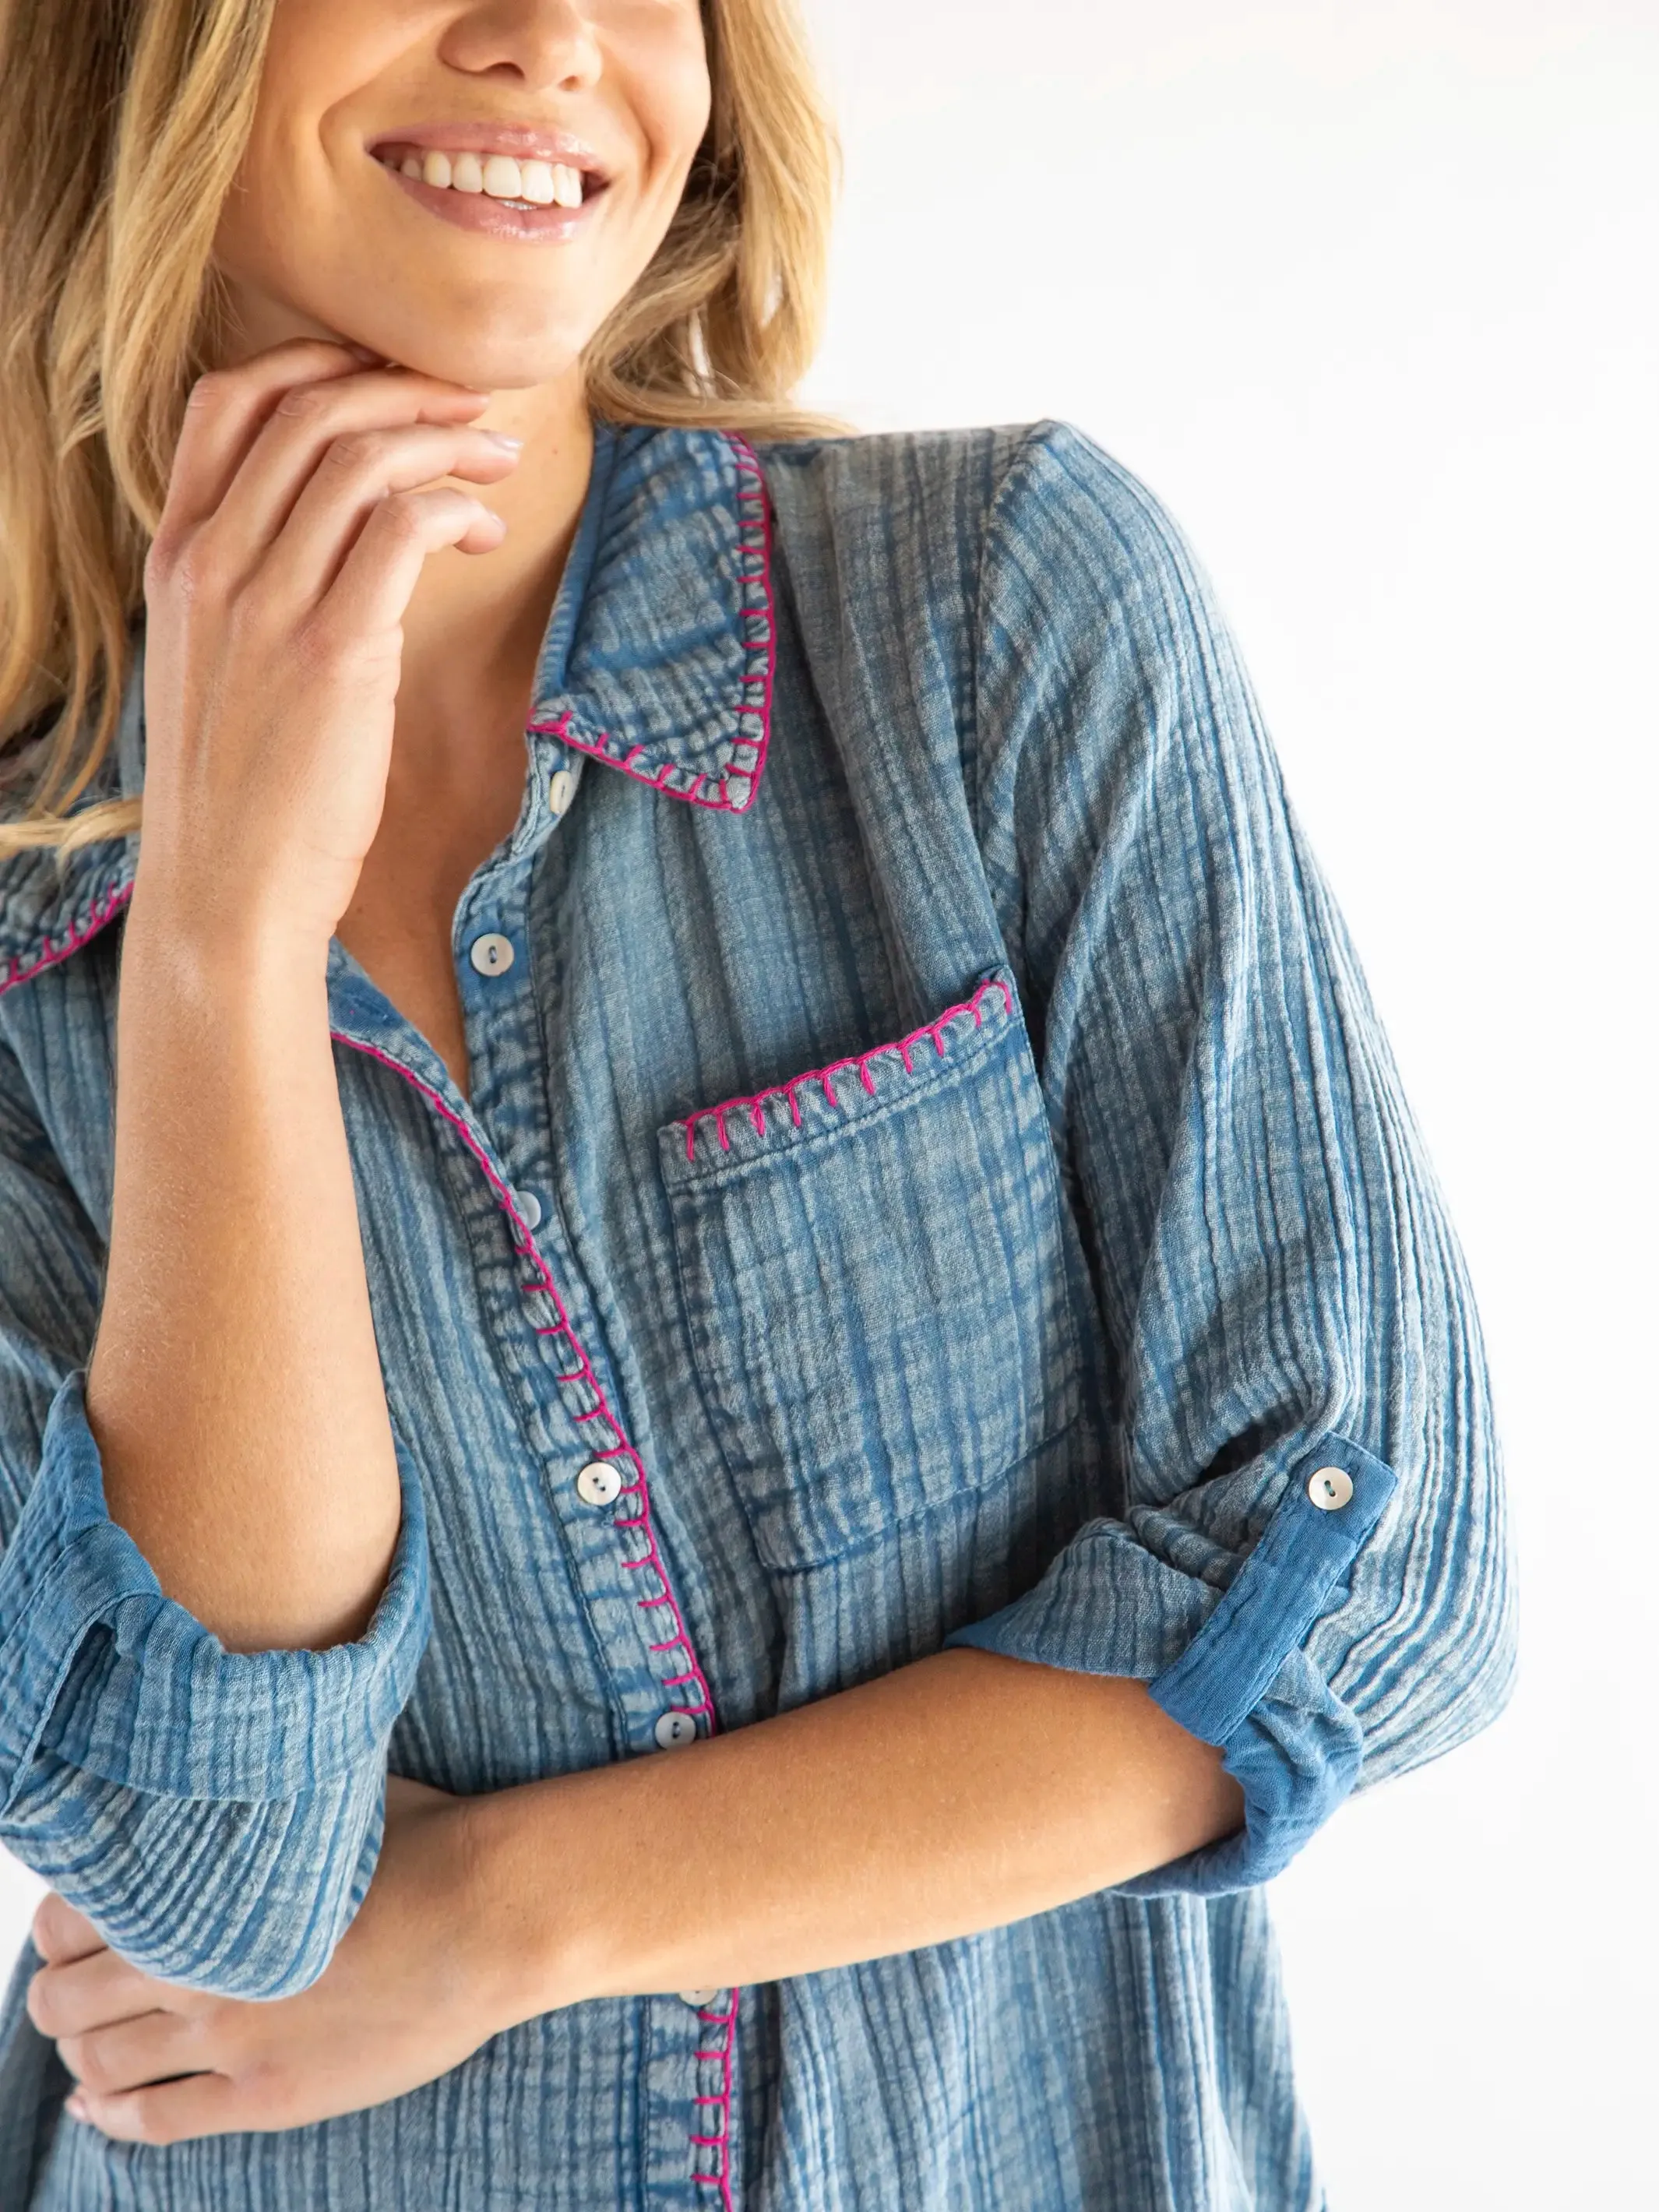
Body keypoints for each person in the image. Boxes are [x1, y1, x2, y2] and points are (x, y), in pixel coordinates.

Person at [0, 0, 1517, 2205]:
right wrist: (223, 951)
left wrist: (500, 1919)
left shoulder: (999, 615)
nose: (548, 40)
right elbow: (224, 1874)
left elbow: (1371, 1581)